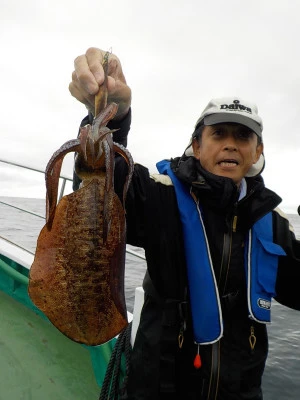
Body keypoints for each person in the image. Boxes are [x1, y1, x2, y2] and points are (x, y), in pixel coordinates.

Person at [69, 47, 300, 400]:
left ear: (258, 151)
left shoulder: (274, 223)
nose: (230, 145)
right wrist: (110, 116)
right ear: (196, 143)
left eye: (242, 137)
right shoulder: (161, 195)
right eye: (219, 134)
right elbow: (102, 191)